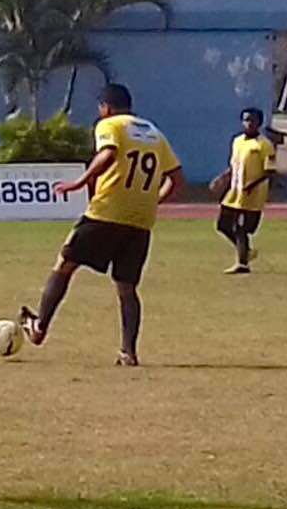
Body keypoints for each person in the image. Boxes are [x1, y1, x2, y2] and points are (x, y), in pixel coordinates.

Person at [19, 84, 185, 367]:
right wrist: (151, 201)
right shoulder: (154, 133)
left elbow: (108, 154)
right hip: (140, 220)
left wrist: (79, 182)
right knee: (127, 287)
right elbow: (177, 179)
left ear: (106, 107)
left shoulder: (110, 125)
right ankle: (128, 352)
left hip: (105, 212)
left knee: (65, 265)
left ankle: (39, 327)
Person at [210, 108, 276, 275]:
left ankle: (242, 263)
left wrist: (251, 185)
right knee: (223, 225)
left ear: (259, 123)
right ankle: (246, 251)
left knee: (241, 228)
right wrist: (222, 178)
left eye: (252, 120)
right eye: (246, 120)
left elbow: (269, 171)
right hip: (235, 192)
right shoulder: (238, 141)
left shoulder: (264, 145)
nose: (249, 123)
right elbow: (234, 165)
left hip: (252, 195)